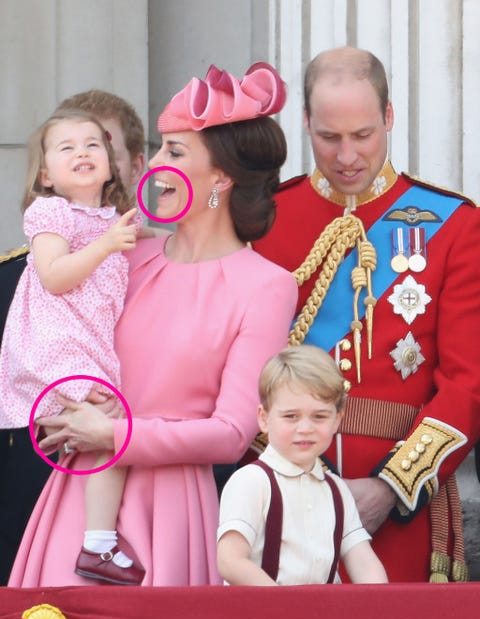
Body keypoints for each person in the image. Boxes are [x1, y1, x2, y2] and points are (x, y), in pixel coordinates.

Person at [8, 62, 298, 587]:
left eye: (175, 152)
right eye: (161, 147)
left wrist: (116, 435)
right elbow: (49, 331)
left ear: (223, 177)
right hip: (80, 494)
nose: (156, 163)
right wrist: (52, 407)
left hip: (171, 508)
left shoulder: (266, 286)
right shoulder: (122, 255)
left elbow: (233, 433)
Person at [253, 46, 480, 582]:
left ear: (389, 117)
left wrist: (389, 488)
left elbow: (467, 384)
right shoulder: (265, 220)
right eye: (329, 137)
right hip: (282, 486)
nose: (347, 156)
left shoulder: (453, 225)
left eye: (363, 135)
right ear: (306, 123)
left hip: (399, 504)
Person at [0, 90, 148, 586]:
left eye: (93, 145)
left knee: (110, 438)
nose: (81, 152)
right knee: (113, 431)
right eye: (65, 148)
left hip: (88, 346)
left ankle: (96, 543)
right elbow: (54, 275)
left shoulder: (110, 220)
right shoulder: (50, 214)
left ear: (113, 165)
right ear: (45, 175)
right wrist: (107, 246)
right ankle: (98, 543)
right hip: (58, 347)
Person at [217, 345, 388, 585]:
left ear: (337, 419)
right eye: (291, 416)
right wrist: (286, 607)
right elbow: (230, 561)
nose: (305, 428)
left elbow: (363, 561)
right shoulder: (251, 481)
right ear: (264, 418)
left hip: (324, 618)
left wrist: (381, 605)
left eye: (319, 416)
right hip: (261, 617)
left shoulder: (336, 490)